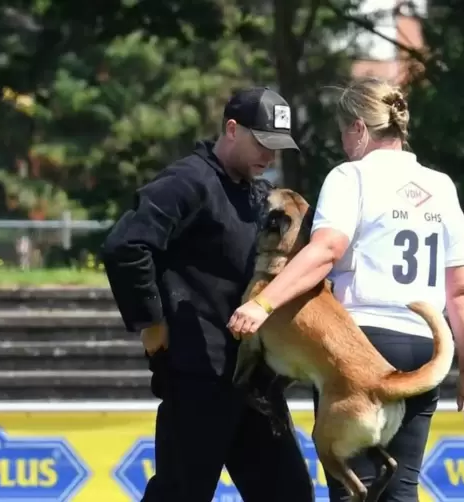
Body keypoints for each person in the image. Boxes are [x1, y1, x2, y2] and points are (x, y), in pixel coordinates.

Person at [227, 77, 464, 502]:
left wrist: (263, 302)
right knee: (400, 490)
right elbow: (460, 291)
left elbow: (327, 250)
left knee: (353, 491)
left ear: (360, 129)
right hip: (423, 346)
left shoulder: (350, 176)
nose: (344, 142)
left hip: (358, 345)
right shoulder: (441, 186)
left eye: (343, 131)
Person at [101, 87, 314, 502]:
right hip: (199, 375)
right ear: (232, 129)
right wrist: (152, 325)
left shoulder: (257, 193)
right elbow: (125, 246)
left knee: (289, 494)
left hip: (254, 379)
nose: (269, 157)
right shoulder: (187, 181)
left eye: (277, 148)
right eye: (262, 143)